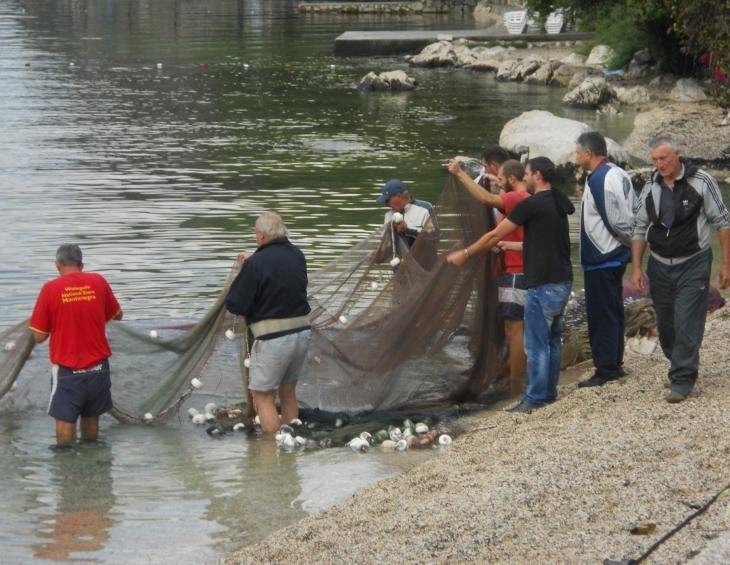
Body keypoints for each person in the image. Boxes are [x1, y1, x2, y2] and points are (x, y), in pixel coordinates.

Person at [447, 157, 574, 413]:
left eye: (527, 173)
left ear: (537, 175)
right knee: (552, 341)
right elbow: (537, 242)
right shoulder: (559, 200)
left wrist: (467, 254)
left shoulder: (530, 204)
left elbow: (494, 234)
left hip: (542, 283)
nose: (524, 178)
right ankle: (548, 392)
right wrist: (510, 246)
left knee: (535, 344)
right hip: (563, 280)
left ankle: (534, 398)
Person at [631, 135, 730, 403]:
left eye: (663, 158)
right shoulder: (650, 187)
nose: (659, 164)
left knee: (687, 320)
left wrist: (726, 265)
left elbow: (722, 222)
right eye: (654, 160)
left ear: (677, 155)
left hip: (694, 262)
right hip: (660, 264)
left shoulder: (702, 182)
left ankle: (682, 379)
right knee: (666, 323)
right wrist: (637, 268)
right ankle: (679, 364)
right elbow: (639, 228)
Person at [449, 157, 530, 395]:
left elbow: (485, 199)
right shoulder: (526, 198)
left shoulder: (517, 198)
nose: (498, 184)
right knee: (513, 329)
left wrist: (459, 173)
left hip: (516, 273)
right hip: (513, 272)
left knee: (515, 331)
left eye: (502, 180)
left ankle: (516, 386)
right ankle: (514, 377)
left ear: (513, 180)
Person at [225, 211, 312, 433]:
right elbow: (278, 274)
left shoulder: (256, 264)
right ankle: (292, 445)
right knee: (288, 391)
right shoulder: (297, 255)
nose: (256, 238)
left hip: (273, 338)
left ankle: (270, 453)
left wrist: (247, 267)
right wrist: (254, 259)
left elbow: (235, 304)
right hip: (302, 332)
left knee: (263, 397)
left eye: (256, 234)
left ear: (262, 236)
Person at [29, 244, 123, 447]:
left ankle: (67, 469)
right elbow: (117, 315)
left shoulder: (50, 289)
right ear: (81, 264)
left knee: (64, 428)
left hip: (68, 372)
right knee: (91, 422)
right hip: (99, 369)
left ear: (58, 264)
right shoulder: (98, 281)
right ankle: (92, 466)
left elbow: (38, 336)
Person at [574, 131, 635, 388]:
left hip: (603, 256)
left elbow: (616, 221)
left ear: (589, 153)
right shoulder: (617, 172)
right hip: (612, 255)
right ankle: (614, 362)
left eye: (577, 152)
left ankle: (606, 369)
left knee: (602, 314)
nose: (575, 157)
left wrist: (626, 242)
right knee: (613, 310)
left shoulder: (600, 178)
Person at [373, 179, 435, 264]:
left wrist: (407, 230)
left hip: (426, 265)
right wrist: (378, 255)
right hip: (402, 266)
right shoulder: (388, 215)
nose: (386, 204)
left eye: (387, 200)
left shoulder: (425, 208)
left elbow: (434, 238)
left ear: (399, 196)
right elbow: (389, 245)